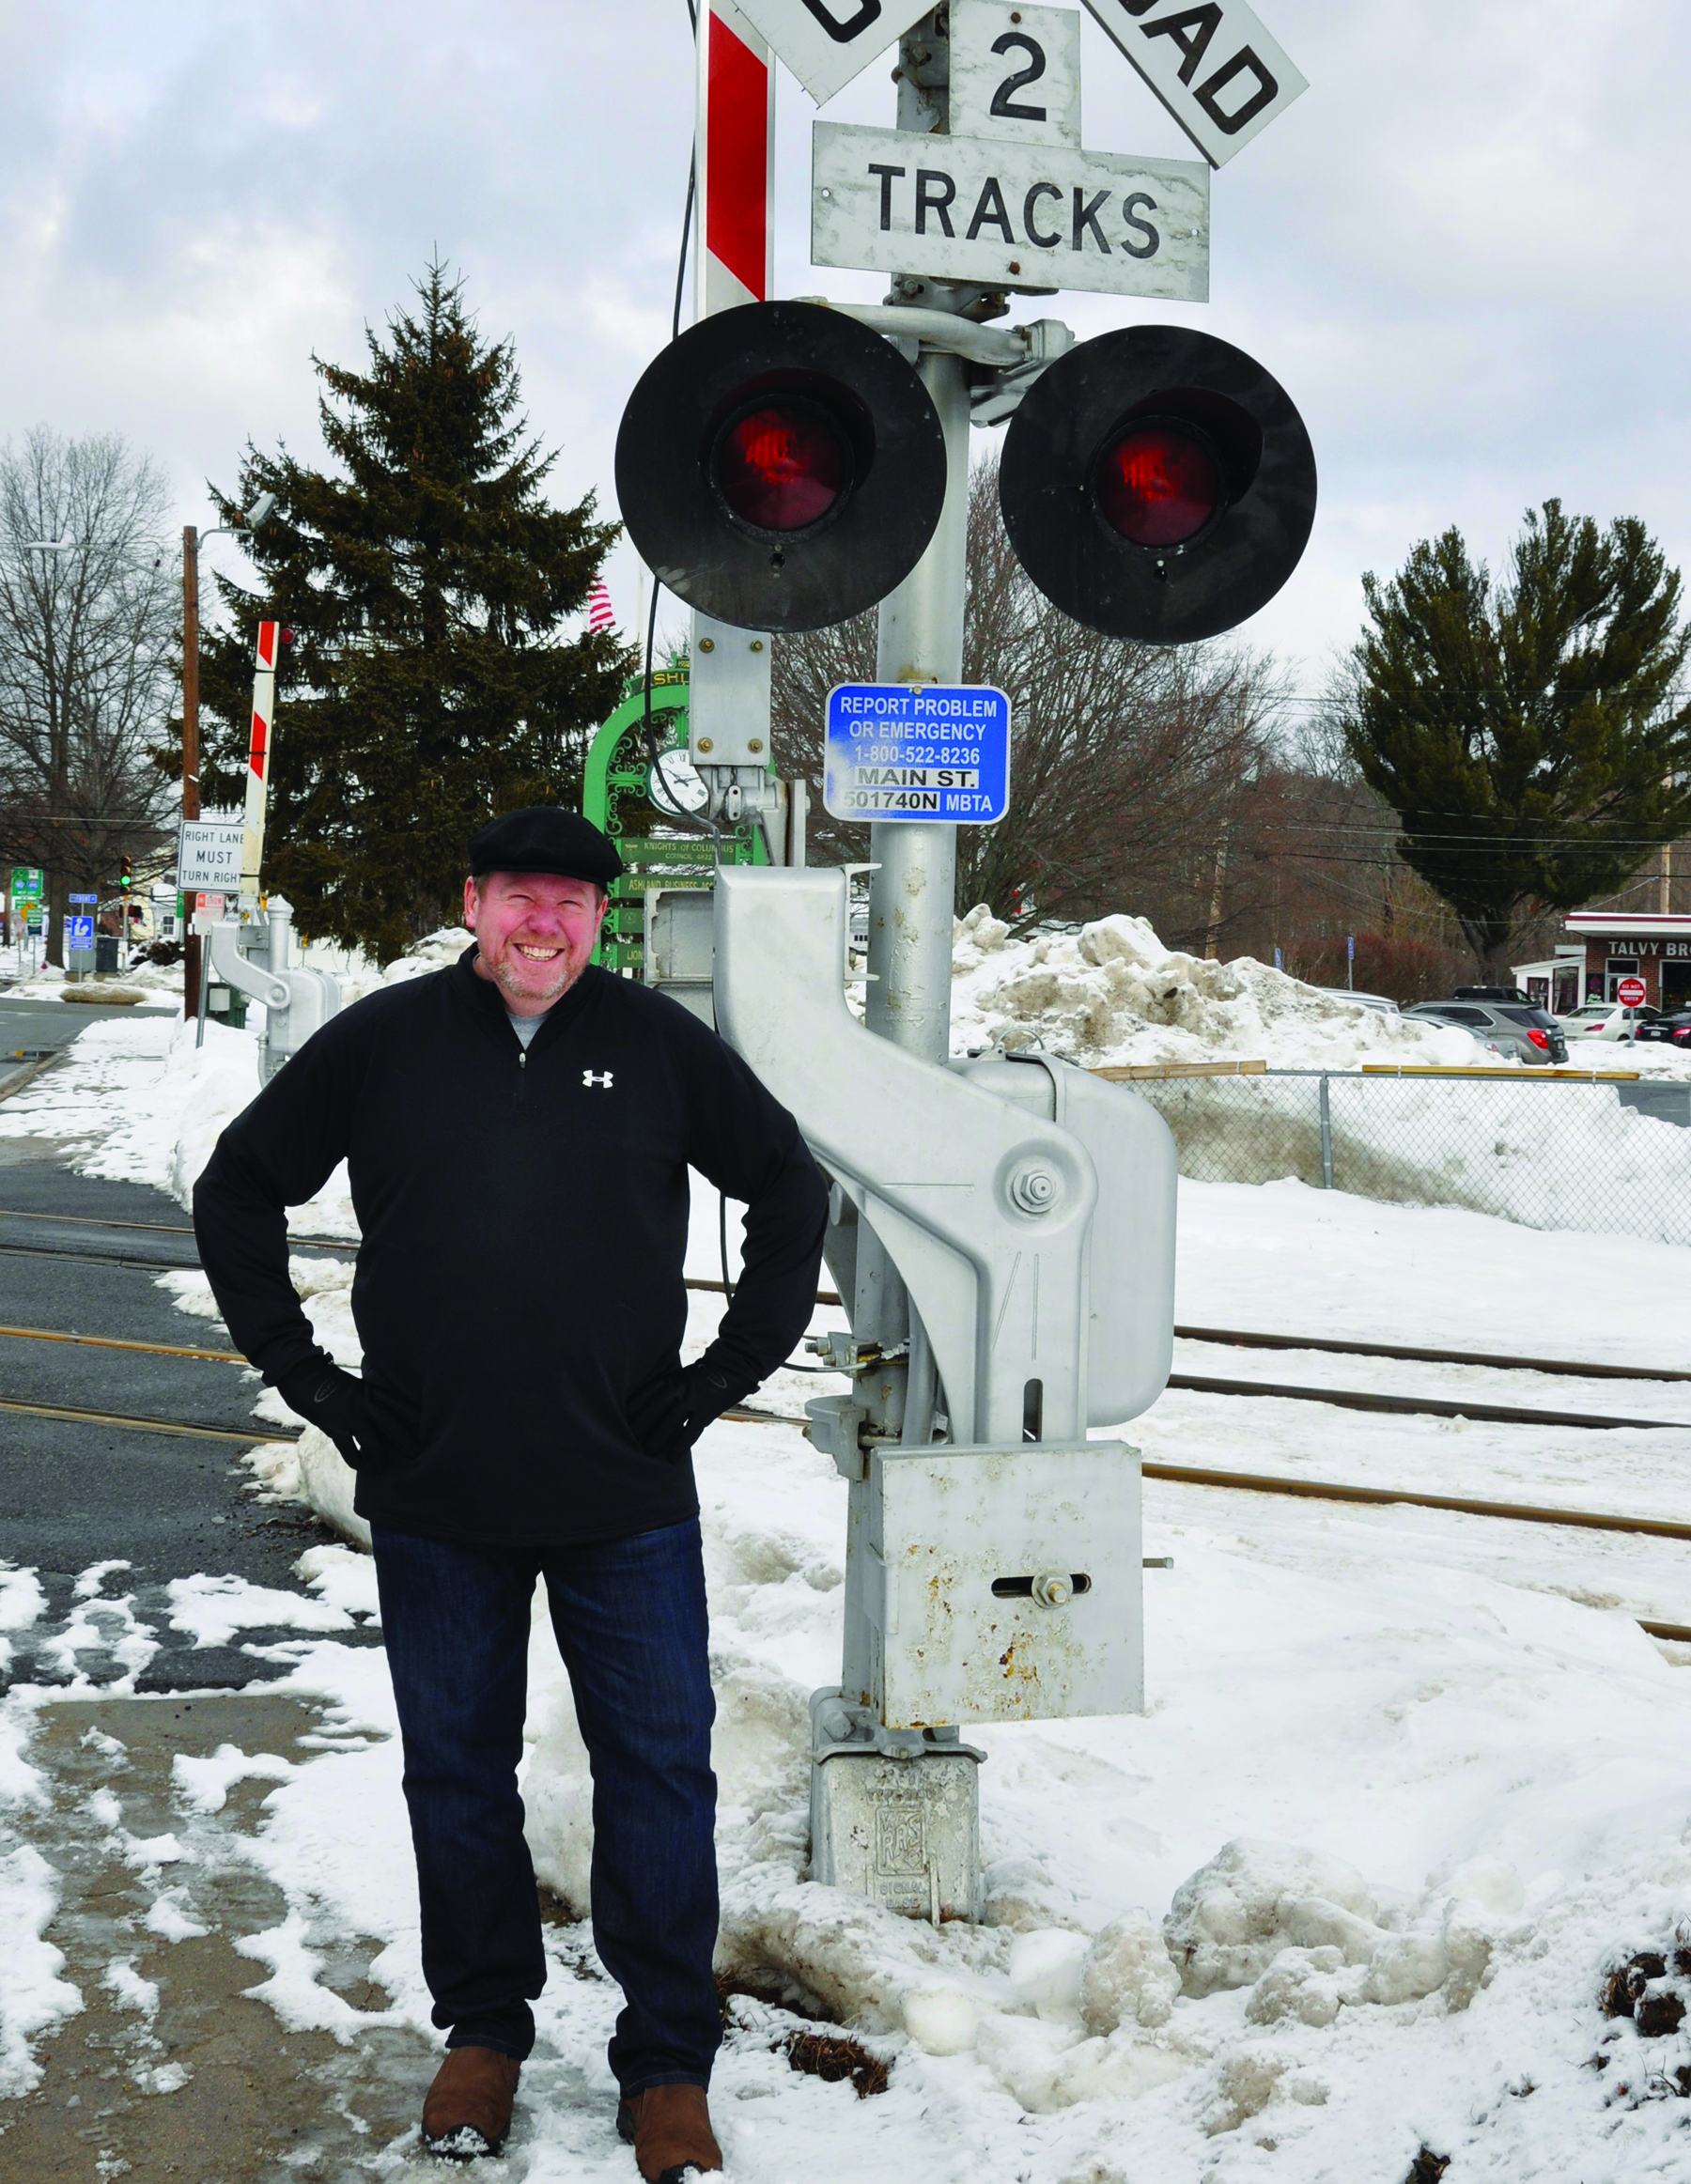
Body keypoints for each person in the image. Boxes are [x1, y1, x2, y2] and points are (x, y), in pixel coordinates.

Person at [194, 808, 828, 2174]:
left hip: (626, 1496)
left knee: (660, 1776)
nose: (547, 925)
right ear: (473, 903)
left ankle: (666, 2060)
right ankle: (484, 2032)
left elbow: (789, 1189)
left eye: (575, 906)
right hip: (438, 1492)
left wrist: (716, 1380)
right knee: (458, 1778)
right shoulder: (384, 1043)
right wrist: (318, 1384)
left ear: (606, 921)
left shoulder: (658, 1045)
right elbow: (239, 1188)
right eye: (522, 899)